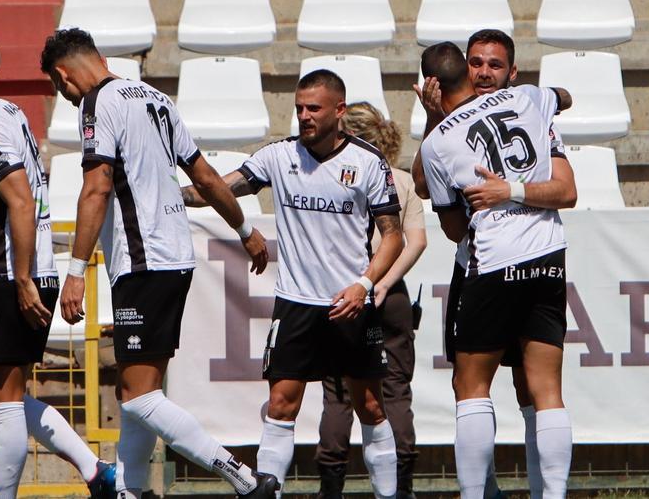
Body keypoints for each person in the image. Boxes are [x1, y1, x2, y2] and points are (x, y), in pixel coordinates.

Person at [41, 27, 277, 499]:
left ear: (64, 74)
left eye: (58, 88)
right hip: (175, 257)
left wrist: (75, 272)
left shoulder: (97, 104)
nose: (64, 98)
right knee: (135, 392)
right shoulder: (156, 98)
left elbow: (97, 187)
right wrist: (245, 230)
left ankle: (245, 479)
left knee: (140, 396)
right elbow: (206, 176)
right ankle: (129, 492)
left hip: (142, 260)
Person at [185, 70, 406, 499]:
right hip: (296, 304)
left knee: (372, 406)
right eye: (300, 108)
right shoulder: (278, 156)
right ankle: (271, 493)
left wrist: (363, 285)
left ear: (338, 111)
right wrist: (168, 192)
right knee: (281, 407)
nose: (304, 116)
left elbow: (393, 235)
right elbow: (216, 189)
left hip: (351, 303)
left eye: (314, 108)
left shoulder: (366, 162)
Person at [0, 30, 117, 498]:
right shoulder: (9, 112)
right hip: (12, 269)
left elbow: (19, 201)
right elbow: (7, 200)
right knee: (4, 397)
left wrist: (17, 278)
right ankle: (96, 471)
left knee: (3, 405)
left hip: (13, 275)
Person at [413, 29, 579, 499]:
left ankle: (474, 495)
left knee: (471, 385)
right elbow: (562, 95)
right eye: (477, 63)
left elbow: (448, 223)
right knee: (548, 387)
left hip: (490, 263)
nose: (485, 72)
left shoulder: (439, 143)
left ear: (430, 83)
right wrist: (555, 98)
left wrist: (504, 191)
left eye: (494, 64)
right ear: (467, 69)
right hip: (547, 254)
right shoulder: (530, 99)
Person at [313, 103, 427, 499]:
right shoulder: (399, 180)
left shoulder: (335, 176)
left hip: (343, 292)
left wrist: (364, 282)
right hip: (390, 296)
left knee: (339, 393)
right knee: (394, 389)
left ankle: (331, 489)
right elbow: (417, 241)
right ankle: (402, 488)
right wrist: (384, 283)